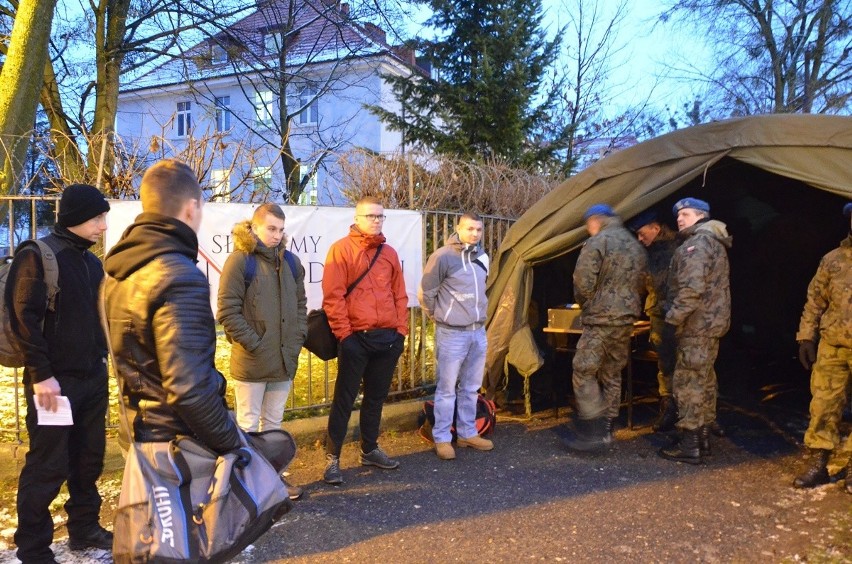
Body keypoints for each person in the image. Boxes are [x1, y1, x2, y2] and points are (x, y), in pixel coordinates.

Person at [102, 159, 243, 473]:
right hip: (177, 448)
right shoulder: (179, 277)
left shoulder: (117, 271)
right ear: (191, 208)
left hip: (136, 434)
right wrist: (235, 446)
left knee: (153, 524)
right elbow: (190, 389)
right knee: (188, 524)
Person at [6, 184, 113, 562]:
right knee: (48, 465)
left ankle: (84, 529)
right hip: (54, 385)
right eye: (98, 217)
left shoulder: (91, 263)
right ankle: (33, 548)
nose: (103, 225)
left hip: (91, 380)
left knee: (88, 460)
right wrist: (42, 375)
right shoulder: (37, 257)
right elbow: (24, 321)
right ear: (76, 217)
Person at [217, 203, 307, 499]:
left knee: (273, 427)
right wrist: (255, 345)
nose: (277, 235)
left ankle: (272, 483)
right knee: (247, 425)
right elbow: (227, 312)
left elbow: (301, 307)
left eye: (281, 229)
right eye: (271, 228)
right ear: (254, 227)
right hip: (253, 361)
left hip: (283, 360)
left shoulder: (292, 263)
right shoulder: (241, 261)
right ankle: (244, 488)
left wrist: (295, 340)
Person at [322, 196, 408, 484]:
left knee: (376, 397)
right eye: (370, 216)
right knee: (344, 399)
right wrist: (345, 336)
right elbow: (333, 297)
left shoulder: (390, 253)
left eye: (380, 217)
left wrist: (401, 332)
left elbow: (399, 294)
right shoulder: (341, 250)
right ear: (357, 218)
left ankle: (369, 448)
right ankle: (332, 458)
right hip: (356, 338)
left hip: (388, 338)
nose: (376, 221)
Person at [565, 204, 647, 452]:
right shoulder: (635, 244)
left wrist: (588, 304)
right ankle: (609, 427)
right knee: (612, 372)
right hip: (626, 319)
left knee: (583, 370)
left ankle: (593, 429)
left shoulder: (598, 242)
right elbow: (642, 281)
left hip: (600, 318)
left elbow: (582, 281)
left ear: (594, 221)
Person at [658, 197, 731, 465]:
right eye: (679, 215)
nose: (680, 219)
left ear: (701, 216)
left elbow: (691, 290)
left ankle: (690, 444)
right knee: (703, 380)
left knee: (688, 383)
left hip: (696, 326)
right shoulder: (713, 242)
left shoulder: (696, 245)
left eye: (686, 214)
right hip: (710, 325)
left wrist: (672, 320)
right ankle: (701, 439)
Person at [419, 213, 492, 460]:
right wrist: (439, 317)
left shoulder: (483, 257)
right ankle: (442, 438)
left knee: (471, 387)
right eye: (470, 228)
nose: (474, 233)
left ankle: (467, 433)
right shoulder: (442, 256)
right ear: (458, 228)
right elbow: (426, 293)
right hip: (452, 333)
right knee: (447, 389)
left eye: (479, 230)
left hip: (478, 331)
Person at [792, 202, 852, 494]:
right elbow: (815, 300)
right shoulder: (833, 259)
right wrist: (806, 336)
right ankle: (819, 461)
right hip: (833, 344)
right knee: (823, 404)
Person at [628, 210, 680, 432]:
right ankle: (669, 408)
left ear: (655, 228)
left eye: (642, 233)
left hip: (681, 316)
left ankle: (701, 416)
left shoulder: (679, 248)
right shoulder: (646, 253)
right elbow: (641, 284)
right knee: (665, 364)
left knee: (692, 364)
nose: (640, 239)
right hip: (658, 314)